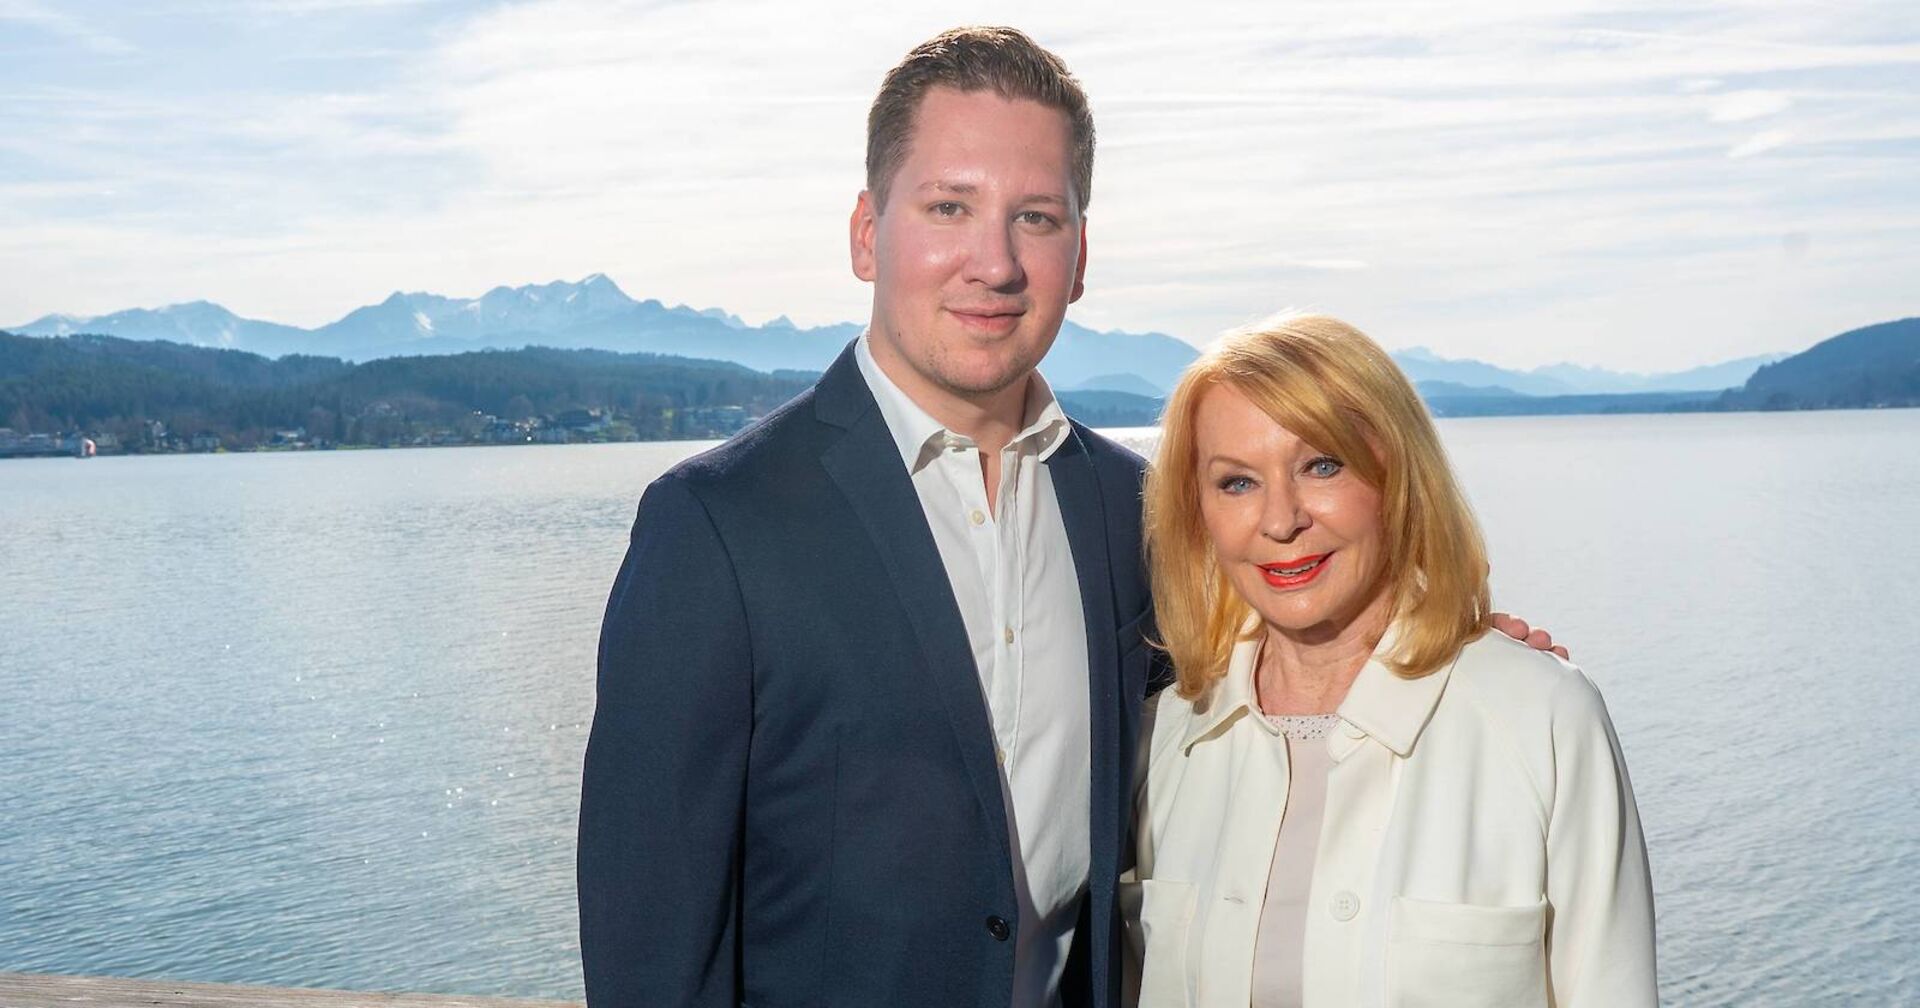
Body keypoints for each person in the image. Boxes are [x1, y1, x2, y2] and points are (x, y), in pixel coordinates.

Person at [579, 26, 1561, 1008]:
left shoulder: (1131, 509)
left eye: (1036, 218)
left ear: (1079, 254)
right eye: (949, 206)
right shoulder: (713, 528)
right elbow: (651, 948)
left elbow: (1275, 657)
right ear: (868, 234)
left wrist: (1437, 644)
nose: (994, 263)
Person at [1125, 315, 1655, 1007]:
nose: (1281, 521)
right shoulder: (1161, 739)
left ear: (1399, 479)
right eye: (1236, 483)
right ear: (1198, 515)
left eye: (1322, 466)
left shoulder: (1544, 720)